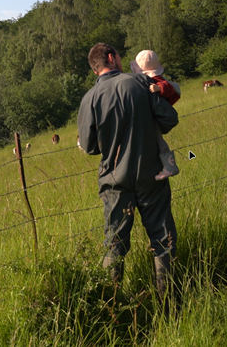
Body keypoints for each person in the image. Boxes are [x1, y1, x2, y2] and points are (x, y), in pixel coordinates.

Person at [76, 43, 179, 304]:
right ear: (111, 57)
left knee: (114, 243)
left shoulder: (89, 99)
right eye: (120, 56)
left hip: (114, 180)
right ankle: (169, 303)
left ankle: (111, 307)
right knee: (162, 236)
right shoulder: (140, 83)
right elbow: (169, 119)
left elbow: (89, 147)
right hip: (151, 174)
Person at [129, 50, 181, 181]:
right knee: (155, 139)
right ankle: (165, 166)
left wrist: (158, 88)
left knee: (158, 139)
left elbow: (167, 86)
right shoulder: (148, 79)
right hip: (152, 116)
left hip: (154, 117)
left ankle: (169, 167)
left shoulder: (156, 80)